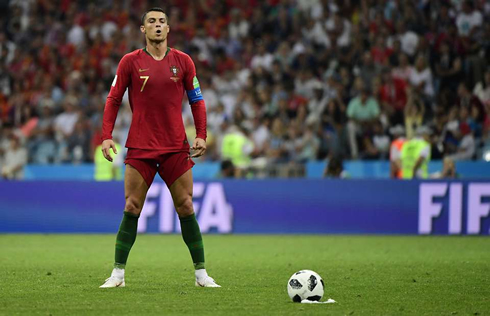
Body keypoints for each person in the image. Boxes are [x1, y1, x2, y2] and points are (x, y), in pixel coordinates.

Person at [99, 8, 220, 288]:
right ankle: (117, 275)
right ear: (143, 30)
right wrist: (107, 136)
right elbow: (113, 99)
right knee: (131, 205)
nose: (157, 25)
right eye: (151, 22)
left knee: (186, 205)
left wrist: (201, 134)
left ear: (168, 29)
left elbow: (197, 100)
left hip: (175, 147)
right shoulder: (129, 62)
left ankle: (201, 275)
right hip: (140, 146)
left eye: (162, 22)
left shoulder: (183, 61)